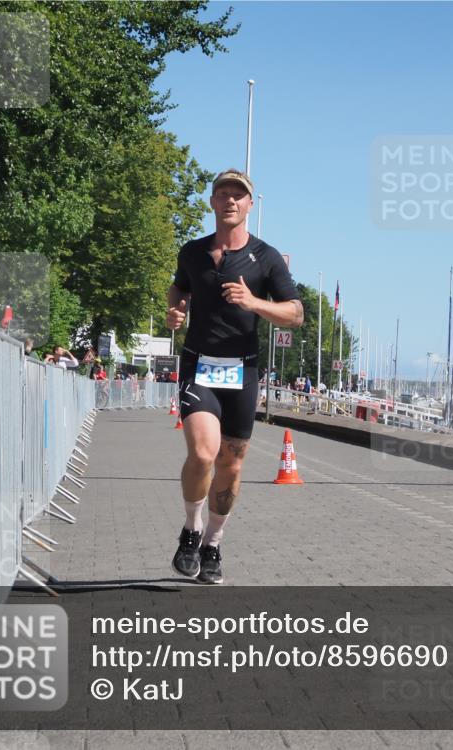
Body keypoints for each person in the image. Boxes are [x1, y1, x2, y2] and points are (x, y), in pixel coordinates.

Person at [166, 168, 302, 584]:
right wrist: (175, 311)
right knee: (203, 453)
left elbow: (295, 314)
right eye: (222, 194)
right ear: (212, 202)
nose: (230, 200)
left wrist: (254, 302)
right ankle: (191, 529)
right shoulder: (192, 252)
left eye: (238, 195)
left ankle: (213, 542)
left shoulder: (266, 257)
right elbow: (180, 288)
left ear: (249, 205)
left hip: (242, 371)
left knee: (231, 465)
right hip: (198, 365)